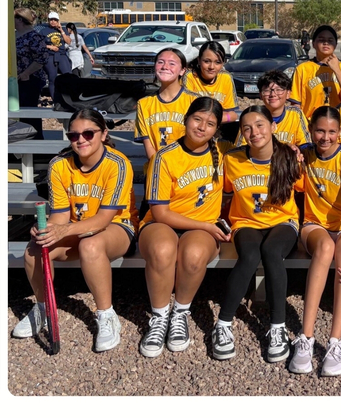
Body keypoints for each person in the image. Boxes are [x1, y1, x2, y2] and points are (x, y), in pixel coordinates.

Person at [13, 109, 137, 352]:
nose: (81, 140)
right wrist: (47, 229)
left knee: (90, 245)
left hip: (116, 228)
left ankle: (106, 314)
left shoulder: (118, 164)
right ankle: (42, 307)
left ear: (103, 134)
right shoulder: (59, 165)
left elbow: (104, 220)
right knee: (34, 250)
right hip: (76, 227)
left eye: (89, 133)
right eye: (74, 135)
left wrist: (64, 230)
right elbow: (60, 215)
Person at [138, 97, 231, 357]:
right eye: (197, 119)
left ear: (216, 130)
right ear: (186, 119)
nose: (202, 127)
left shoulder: (224, 150)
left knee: (192, 256)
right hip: (162, 222)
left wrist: (292, 148)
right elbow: (160, 212)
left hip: (202, 228)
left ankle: (180, 312)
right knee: (162, 249)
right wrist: (204, 224)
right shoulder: (164, 157)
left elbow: (261, 147)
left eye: (210, 124)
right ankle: (159, 317)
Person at [213, 105, 304, 362]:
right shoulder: (232, 159)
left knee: (272, 252)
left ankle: (277, 328)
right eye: (247, 128)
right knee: (250, 256)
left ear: (273, 126)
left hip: (283, 221)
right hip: (246, 221)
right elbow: (223, 195)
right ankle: (223, 324)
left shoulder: (289, 157)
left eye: (260, 125)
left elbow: (307, 190)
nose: (254, 132)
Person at [290, 107, 341, 376]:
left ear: (340, 132)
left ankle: (336, 341)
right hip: (313, 226)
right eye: (320, 130)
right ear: (311, 130)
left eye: (332, 131)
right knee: (326, 247)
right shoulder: (305, 154)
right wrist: (292, 155)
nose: (326, 136)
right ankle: (306, 336)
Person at [135, 48, 199, 160]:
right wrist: (159, 167)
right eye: (160, 62)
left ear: (182, 70)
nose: (165, 67)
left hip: (187, 167)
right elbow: (148, 144)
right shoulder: (144, 104)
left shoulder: (195, 101)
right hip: (157, 168)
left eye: (172, 63)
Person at [236, 70, 310, 150]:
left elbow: (306, 145)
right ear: (261, 95)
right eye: (267, 90)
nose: (273, 94)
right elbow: (240, 148)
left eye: (279, 90)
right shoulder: (251, 117)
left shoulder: (296, 114)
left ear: (288, 94)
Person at [291, 24, 341, 118]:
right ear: (313, 43)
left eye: (330, 40)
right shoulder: (302, 69)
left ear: (335, 44)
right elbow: (296, 104)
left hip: (338, 124)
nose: (326, 43)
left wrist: (337, 70)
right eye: (321, 40)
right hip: (311, 125)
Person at [182, 41, 238, 122]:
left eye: (217, 62)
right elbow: (186, 111)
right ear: (199, 60)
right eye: (207, 61)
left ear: (223, 63)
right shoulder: (190, 76)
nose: (211, 67)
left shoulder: (226, 78)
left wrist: (212, 120)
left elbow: (232, 114)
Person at [15, 8, 48, 137]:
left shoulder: (34, 37)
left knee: (28, 112)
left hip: (30, 80)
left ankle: (36, 142)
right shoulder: (13, 35)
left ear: (20, 20)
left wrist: (26, 73)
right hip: (15, 80)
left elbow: (42, 58)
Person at [39, 11, 72, 102]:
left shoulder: (63, 30)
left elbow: (68, 42)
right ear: (48, 20)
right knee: (52, 78)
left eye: (55, 20)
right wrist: (50, 47)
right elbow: (39, 45)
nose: (53, 22)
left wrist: (61, 31)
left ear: (58, 21)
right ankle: (55, 99)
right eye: (51, 20)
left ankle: (68, 97)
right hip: (50, 55)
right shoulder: (43, 31)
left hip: (61, 55)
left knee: (67, 76)